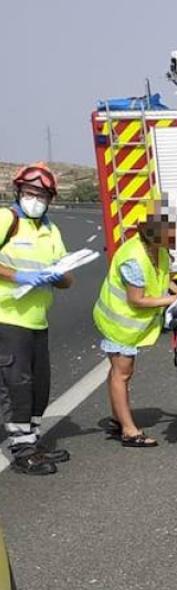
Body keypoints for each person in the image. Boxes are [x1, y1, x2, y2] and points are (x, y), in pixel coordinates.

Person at [93, 203, 177, 448]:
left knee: (120, 371)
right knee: (122, 372)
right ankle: (128, 430)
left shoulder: (160, 251)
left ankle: (118, 418)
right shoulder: (133, 258)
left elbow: (163, 278)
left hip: (132, 324)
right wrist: (172, 299)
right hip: (118, 322)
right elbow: (136, 299)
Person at [0, 163, 75, 475]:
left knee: (39, 387)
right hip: (7, 317)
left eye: (42, 194)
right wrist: (21, 275)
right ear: (19, 192)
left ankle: (32, 438)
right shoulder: (7, 219)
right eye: (30, 193)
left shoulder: (50, 229)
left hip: (37, 320)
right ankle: (21, 450)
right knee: (17, 386)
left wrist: (55, 277)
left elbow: (68, 278)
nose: (35, 198)